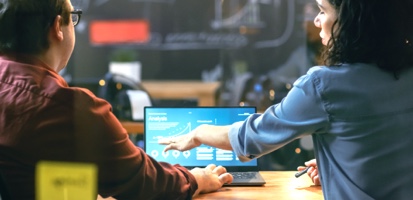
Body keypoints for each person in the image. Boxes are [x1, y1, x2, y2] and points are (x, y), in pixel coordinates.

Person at [160, 0, 413, 199]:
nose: (315, 20)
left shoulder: (323, 85)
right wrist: (337, 170)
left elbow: (253, 138)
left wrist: (199, 133)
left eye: (322, 11)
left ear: (351, 22)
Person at [0, 0, 232, 199]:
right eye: (73, 17)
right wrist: (195, 178)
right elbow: (144, 182)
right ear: (57, 28)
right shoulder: (66, 108)